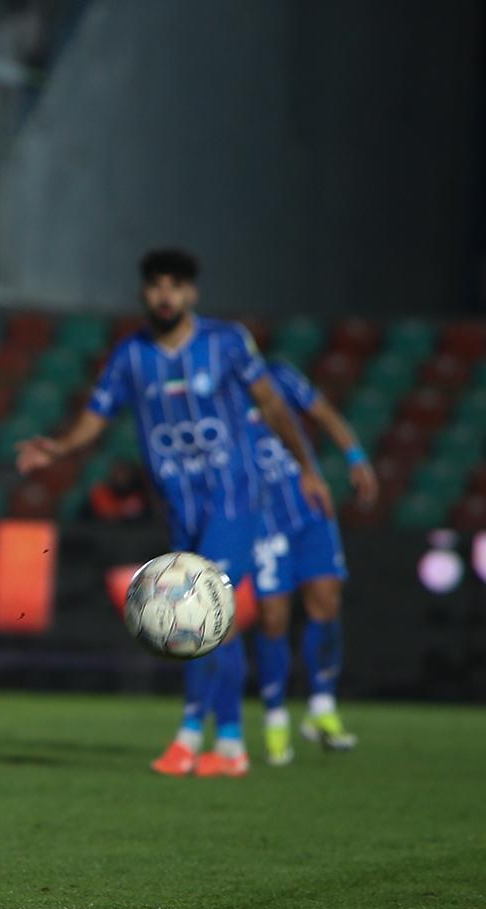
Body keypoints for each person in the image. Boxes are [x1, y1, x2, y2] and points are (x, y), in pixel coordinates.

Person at [16, 249, 333, 778]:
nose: (166, 295)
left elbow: (273, 405)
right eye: (156, 285)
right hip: (181, 505)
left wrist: (307, 468)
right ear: (145, 292)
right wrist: (60, 447)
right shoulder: (131, 355)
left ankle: (199, 738)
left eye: (175, 285)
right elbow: (97, 414)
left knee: (205, 611)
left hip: (234, 498)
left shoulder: (226, 342)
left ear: (192, 293)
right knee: (211, 622)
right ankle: (226, 743)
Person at [247, 361, 375, 765]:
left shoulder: (277, 376)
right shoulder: (215, 393)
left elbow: (324, 413)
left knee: (327, 599)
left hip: (308, 507)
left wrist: (356, 457)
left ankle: (322, 708)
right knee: (273, 617)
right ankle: (275, 719)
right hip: (260, 518)